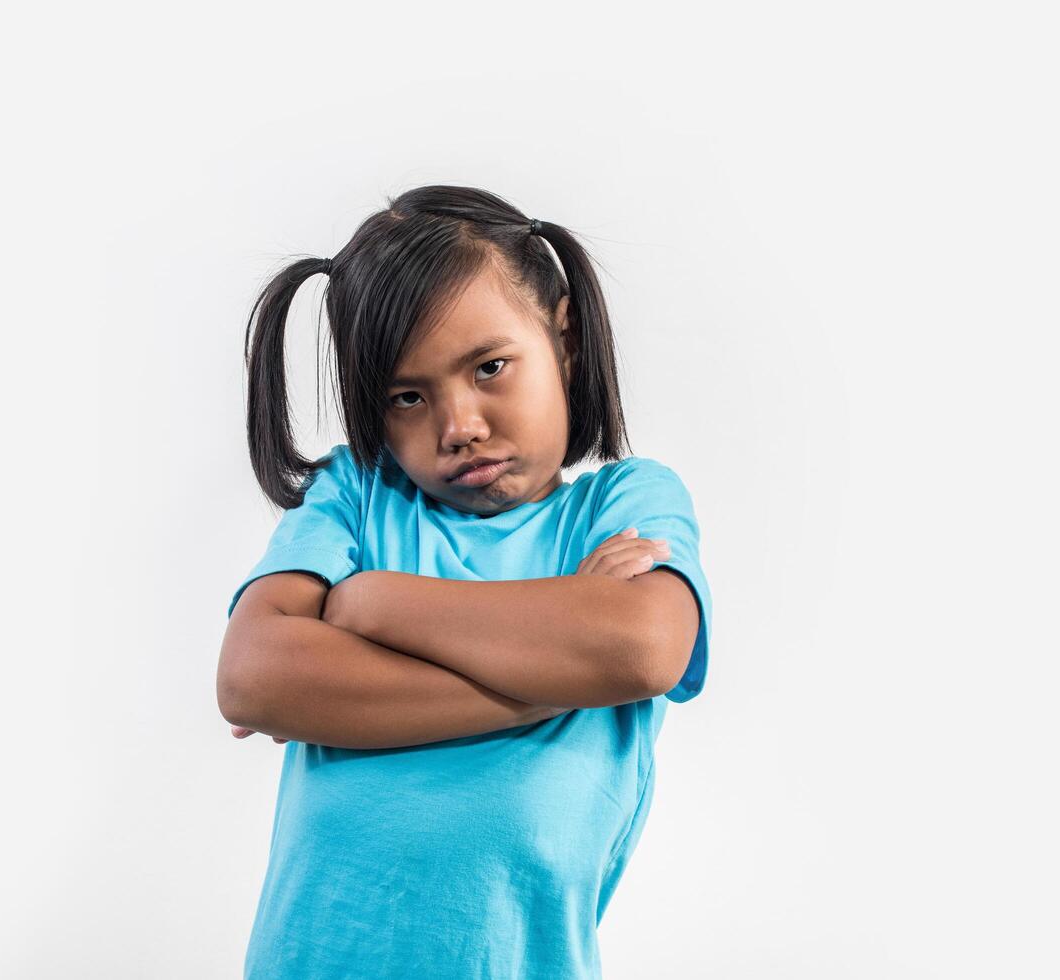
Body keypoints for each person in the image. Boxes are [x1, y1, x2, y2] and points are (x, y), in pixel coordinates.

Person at [216, 184, 712, 978]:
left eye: (489, 368)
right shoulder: (355, 496)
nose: (458, 427)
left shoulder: (622, 505)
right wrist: (552, 682)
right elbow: (252, 677)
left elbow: (640, 649)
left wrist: (369, 603)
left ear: (564, 338)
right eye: (407, 397)